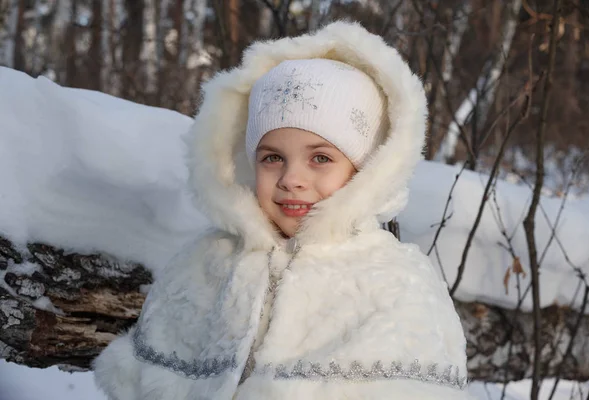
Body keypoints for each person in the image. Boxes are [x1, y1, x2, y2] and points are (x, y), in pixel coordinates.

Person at [93, 21, 471, 400]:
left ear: (364, 170)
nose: (292, 178)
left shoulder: (396, 283)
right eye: (273, 157)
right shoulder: (205, 264)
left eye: (320, 158)